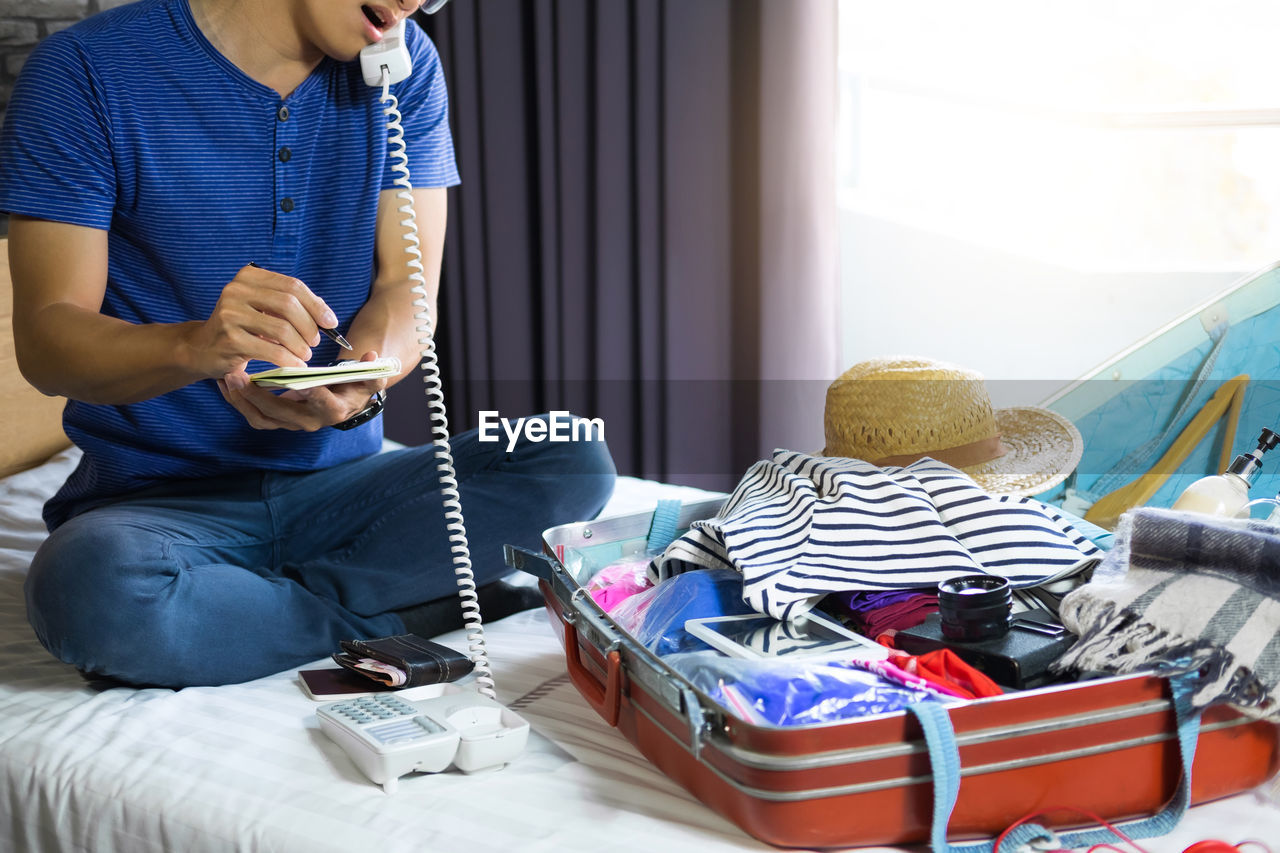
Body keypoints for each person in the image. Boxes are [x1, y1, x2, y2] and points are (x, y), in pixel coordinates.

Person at [0, 0, 616, 688]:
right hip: (156, 509)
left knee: (570, 459)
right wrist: (194, 346)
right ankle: (396, 606)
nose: (416, 2)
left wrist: (361, 382)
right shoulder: (85, 71)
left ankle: (262, 614)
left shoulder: (403, 70)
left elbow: (408, 290)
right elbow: (48, 337)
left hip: (342, 491)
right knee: (85, 588)